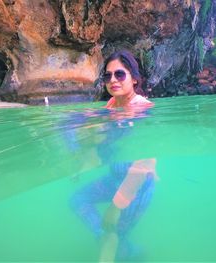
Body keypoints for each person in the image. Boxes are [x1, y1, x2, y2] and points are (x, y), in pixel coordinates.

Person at [66, 50, 157, 262]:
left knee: (111, 230)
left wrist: (116, 207)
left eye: (120, 74)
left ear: (134, 79)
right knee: (78, 200)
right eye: (108, 76)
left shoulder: (142, 109)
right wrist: (83, 162)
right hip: (117, 176)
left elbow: (142, 167)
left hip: (138, 185)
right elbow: (104, 144)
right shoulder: (112, 105)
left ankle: (117, 246)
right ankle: (126, 249)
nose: (113, 80)